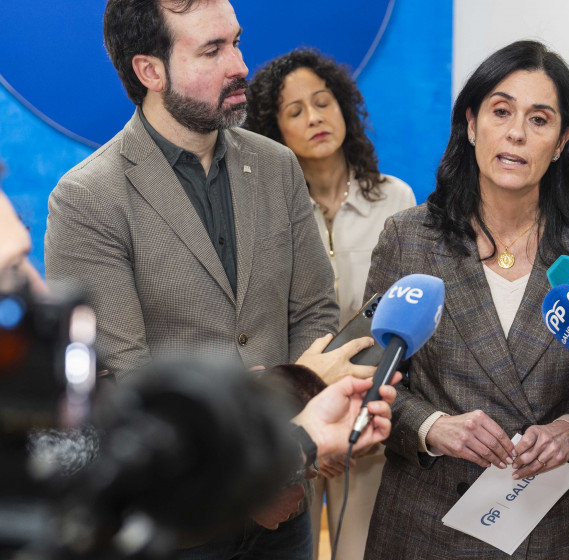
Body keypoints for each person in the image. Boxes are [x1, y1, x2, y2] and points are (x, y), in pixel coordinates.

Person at [43, 1, 359, 558]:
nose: (240, 64)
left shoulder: (277, 165)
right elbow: (122, 381)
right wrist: (250, 476)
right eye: (212, 50)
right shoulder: (87, 199)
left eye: (236, 41)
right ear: (150, 71)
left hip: (287, 512)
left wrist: (288, 463)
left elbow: (314, 313)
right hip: (174, 521)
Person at [361, 40, 569, 559]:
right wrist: (431, 426)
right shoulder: (409, 238)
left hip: (558, 523)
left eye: (539, 120)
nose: (516, 133)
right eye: (501, 111)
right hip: (429, 522)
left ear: (561, 142)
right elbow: (368, 381)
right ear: (470, 124)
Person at [245, 49, 416, 558]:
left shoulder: (395, 199)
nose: (315, 117)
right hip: (292, 416)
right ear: (273, 130)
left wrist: (359, 416)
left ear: (344, 107)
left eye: (323, 102)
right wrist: (310, 424)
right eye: (294, 111)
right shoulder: (267, 214)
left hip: (373, 407)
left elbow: (407, 321)